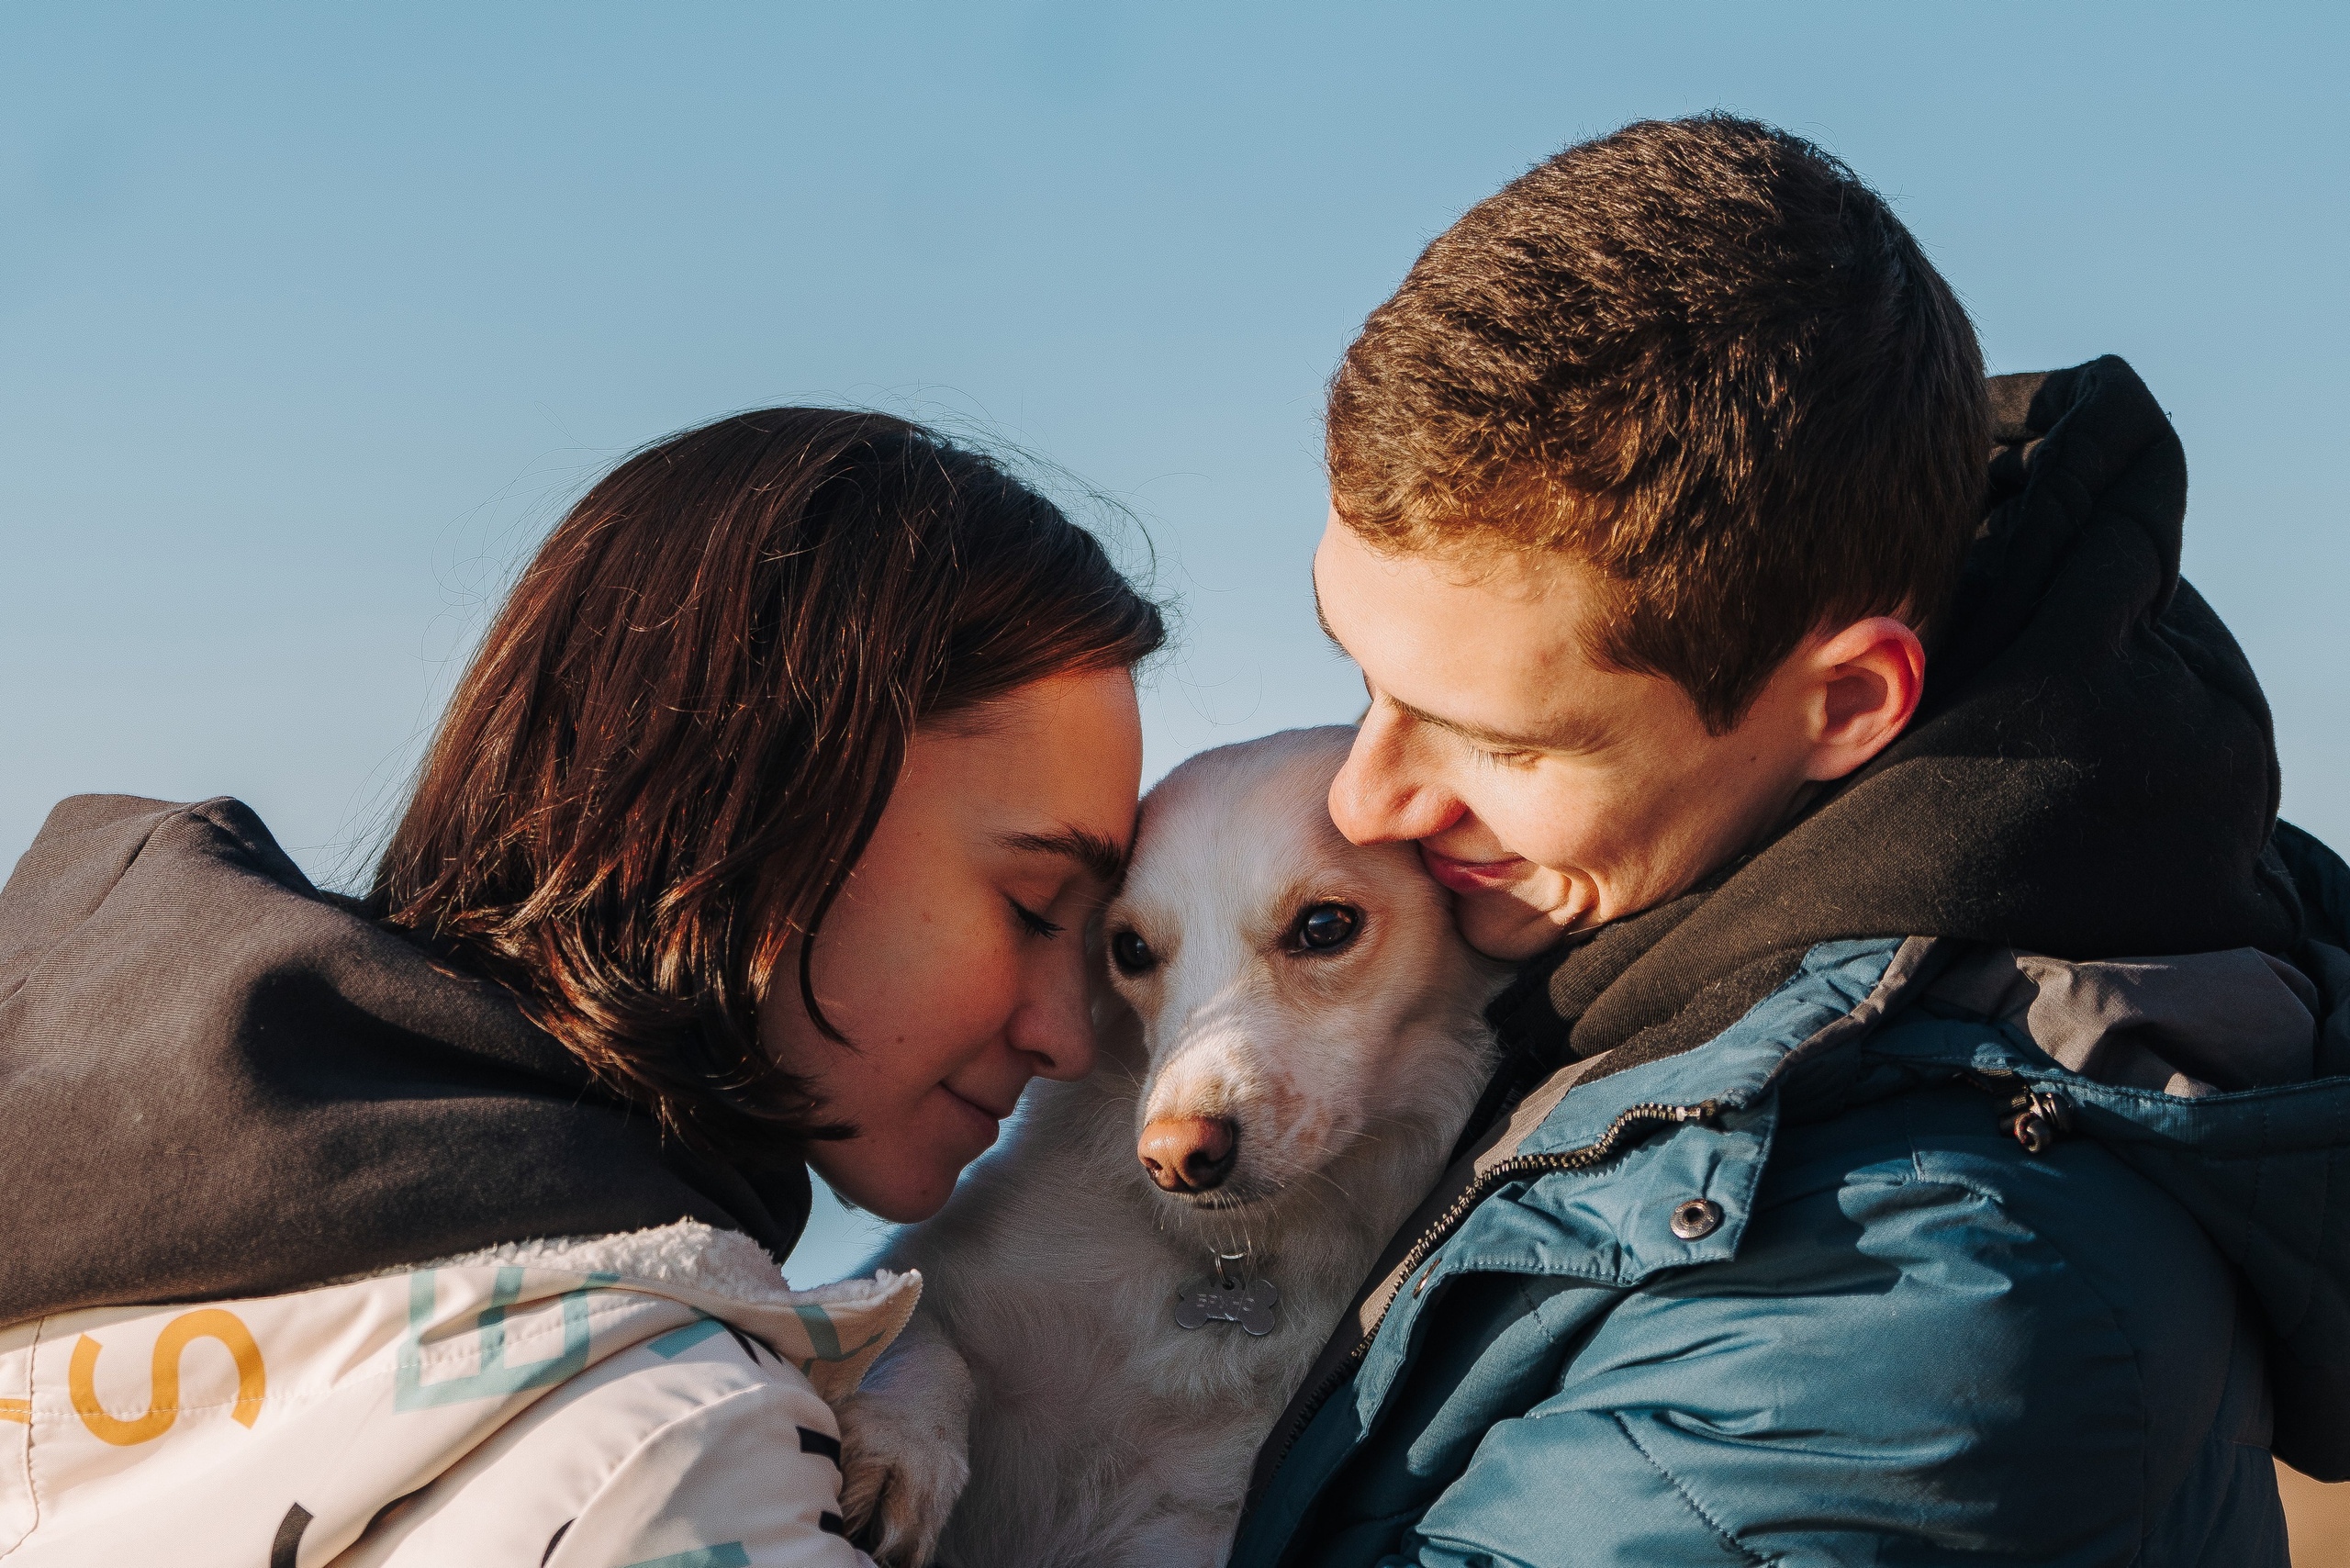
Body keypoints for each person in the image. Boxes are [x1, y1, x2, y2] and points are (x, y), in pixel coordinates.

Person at [1231, 114, 2350, 1567]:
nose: (1367, 799)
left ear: (1842, 704)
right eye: (1362, 678)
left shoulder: (1916, 1304)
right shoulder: (1627, 978)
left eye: (1504, 741)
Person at [0, 409, 1161, 1566]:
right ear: (755, 800)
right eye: (1028, 906)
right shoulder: (679, 1449)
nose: (1068, 1033)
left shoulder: (88, 1231)